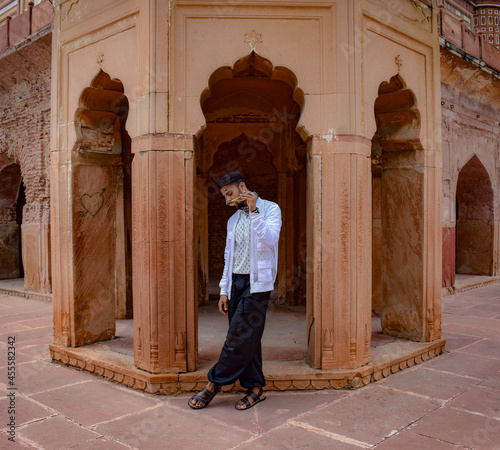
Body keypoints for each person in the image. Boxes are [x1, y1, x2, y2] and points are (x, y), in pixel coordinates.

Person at [188, 171, 282, 411]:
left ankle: (213, 384)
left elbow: (270, 239)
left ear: (242, 187)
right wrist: (224, 290)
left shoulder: (270, 209)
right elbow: (229, 257)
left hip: (258, 284)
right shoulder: (233, 220)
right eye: (224, 195)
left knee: (237, 337)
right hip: (236, 283)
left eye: (229, 193)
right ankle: (256, 388)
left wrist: (254, 211)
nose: (227, 199)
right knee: (248, 338)